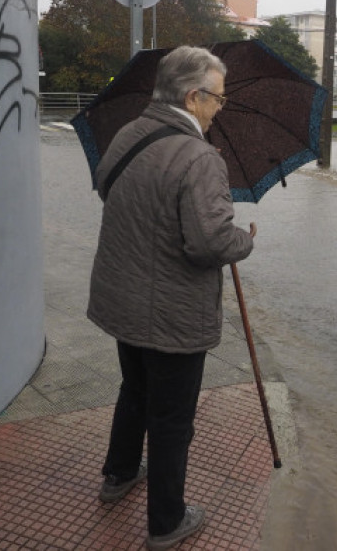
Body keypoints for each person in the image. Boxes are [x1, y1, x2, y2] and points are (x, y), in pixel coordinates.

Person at [87, 46, 256, 550]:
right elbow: (209, 243)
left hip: (123, 297)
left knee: (134, 389)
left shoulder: (126, 135)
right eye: (218, 99)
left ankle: (117, 475)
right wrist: (243, 240)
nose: (220, 108)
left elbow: (107, 188)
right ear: (192, 95)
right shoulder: (200, 157)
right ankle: (166, 522)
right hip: (173, 314)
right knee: (171, 418)